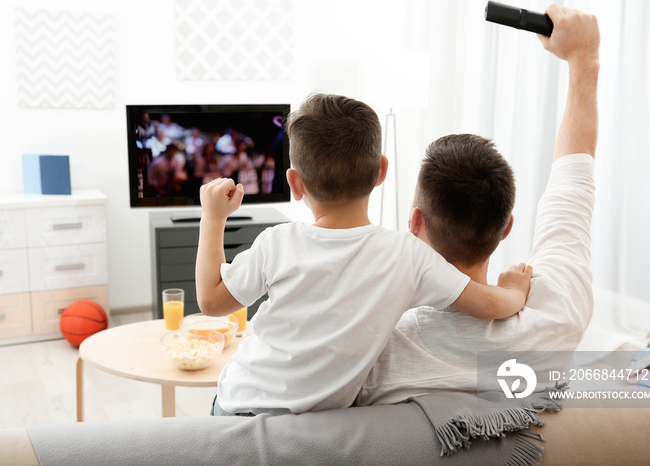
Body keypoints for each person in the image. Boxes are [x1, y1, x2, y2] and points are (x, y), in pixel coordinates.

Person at [195, 93, 533, 416]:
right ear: (382, 171)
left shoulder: (277, 242)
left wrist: (213, 217)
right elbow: (489, 306)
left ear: (295, 184)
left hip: (238, 405)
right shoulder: (409, 255)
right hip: (311, 426)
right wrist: (516, 290)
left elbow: (211, 302)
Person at [356, 4, 599, 405]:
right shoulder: (558, 315)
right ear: (506, 228)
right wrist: (585, 60)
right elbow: (573, 185)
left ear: (415, 222)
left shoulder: (380, 346)